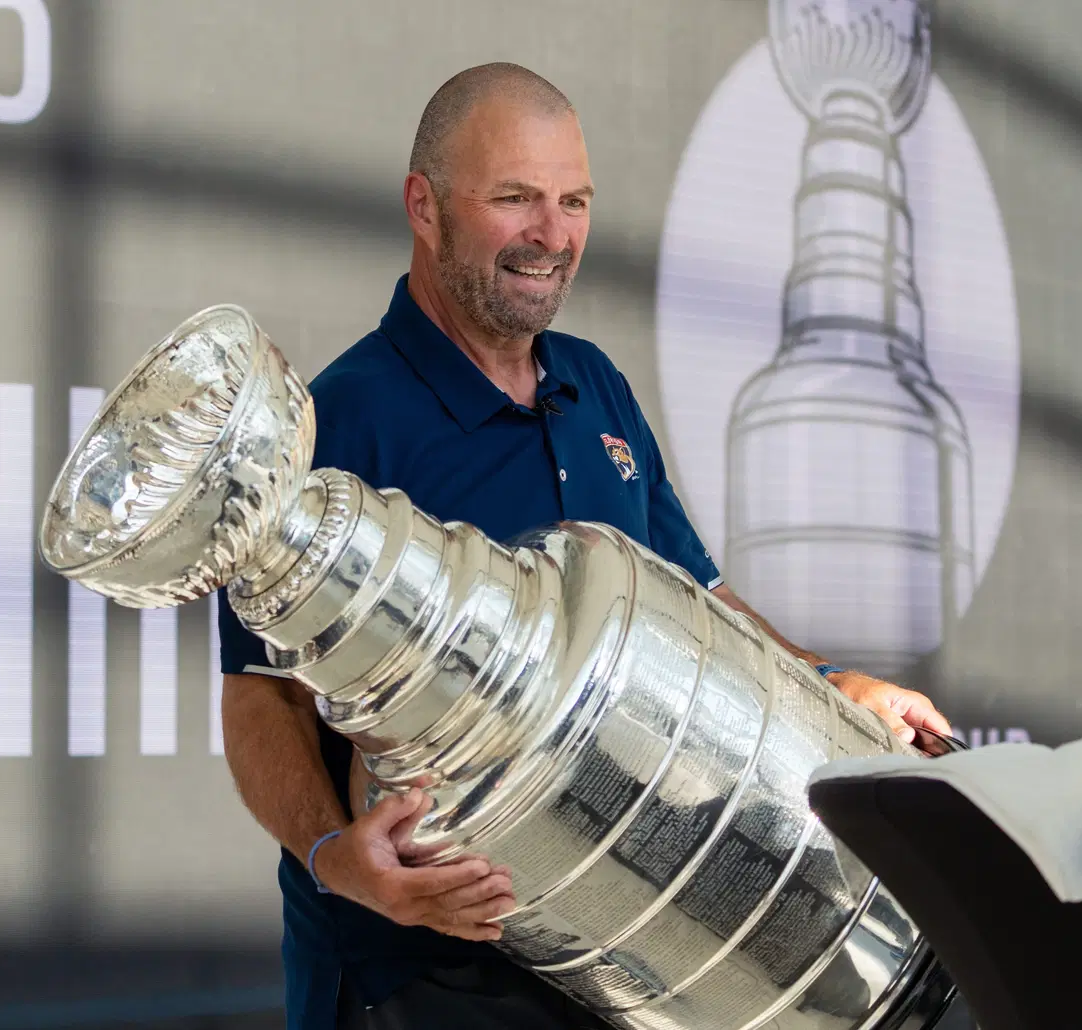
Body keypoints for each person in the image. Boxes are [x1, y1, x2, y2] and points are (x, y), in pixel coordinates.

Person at [216, 62, 954, 1030]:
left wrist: (829, 685)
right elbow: (260, 694)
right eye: (514, 198)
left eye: (574, 202)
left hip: (610, 950)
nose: (552, 234)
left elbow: (702, 604)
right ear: (424, 206)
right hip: (421, 967)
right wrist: (335, 861)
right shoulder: (342, 420)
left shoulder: (593, 384)